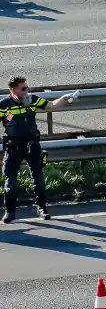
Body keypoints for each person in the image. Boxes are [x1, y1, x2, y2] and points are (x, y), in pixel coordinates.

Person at [2, 77, 80, 223]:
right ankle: (10, 212)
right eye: (23, 88)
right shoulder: (4, 105)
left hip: (32, 145)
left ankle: (42, 208)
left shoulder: (32, 100)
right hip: (13, 147)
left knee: (38, 177)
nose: (27, 91)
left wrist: (65, 98)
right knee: (10, 181)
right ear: (13, 90)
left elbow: (51, 106)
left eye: (27, 87)